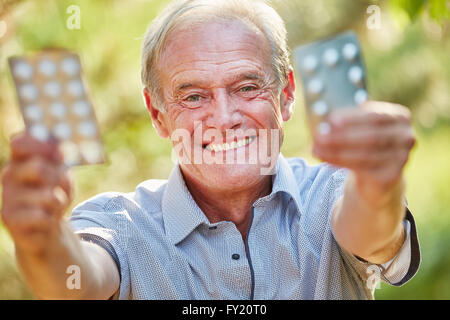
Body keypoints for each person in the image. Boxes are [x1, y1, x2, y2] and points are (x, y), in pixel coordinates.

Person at [1, 0, 420, 300]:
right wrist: (41, 237)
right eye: (194, 97)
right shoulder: (120, 224)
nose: (224, 117)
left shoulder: (333, 191)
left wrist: (378, 181)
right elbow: (76, 283)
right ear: (158, 114)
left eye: (248, 87)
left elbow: (373, 233)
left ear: (287, 93)